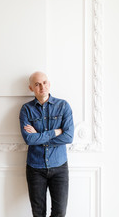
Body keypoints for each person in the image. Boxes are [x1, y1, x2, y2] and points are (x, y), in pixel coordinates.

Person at [19, 71, 74, 217]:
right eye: (37, 84)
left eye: (44, 83)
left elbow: (68, 137)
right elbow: (29, 139)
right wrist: (55, 132)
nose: (42, 87)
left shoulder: (63, 106)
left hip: (59, 167)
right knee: (38, 213)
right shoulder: (26, 110)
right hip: (35, 168)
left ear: (49, 84)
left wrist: (39, 135)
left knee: (60, 213)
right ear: (31, 88)